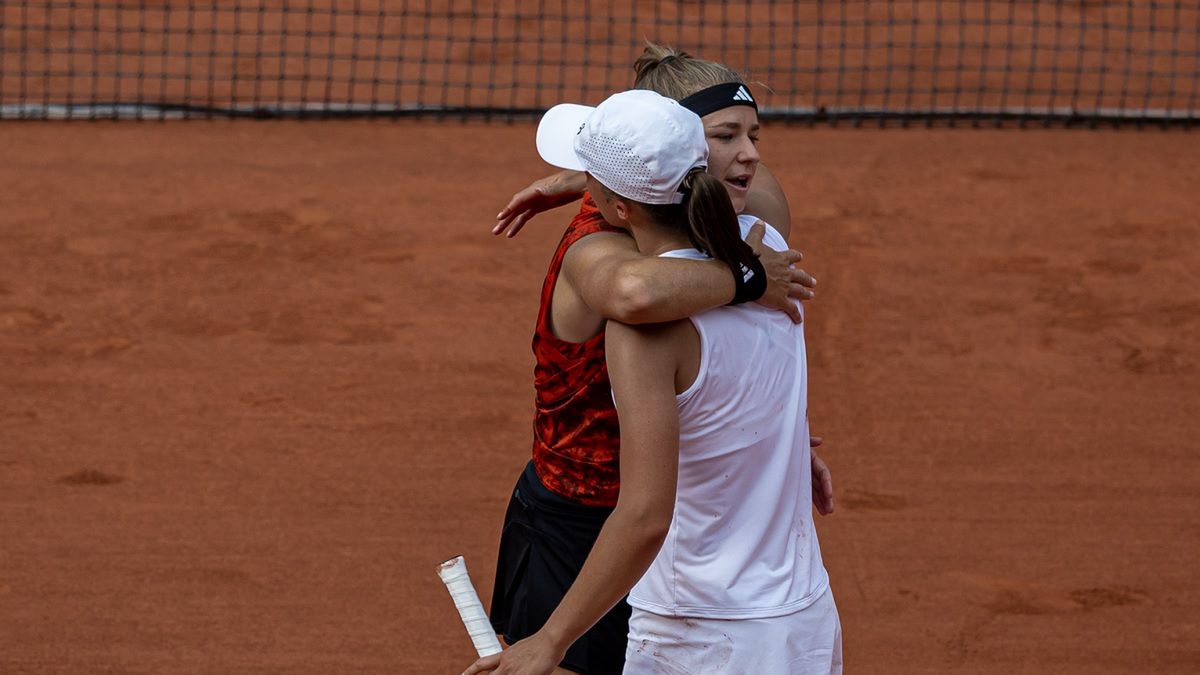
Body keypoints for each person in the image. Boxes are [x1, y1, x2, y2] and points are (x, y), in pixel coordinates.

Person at [481, 46, 835, 675]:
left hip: (669, 542)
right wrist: (749, 276)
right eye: (724, 138)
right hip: (587, 522)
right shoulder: (728, 249)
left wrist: (784, 442)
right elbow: (636, 294)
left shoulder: (746, 223)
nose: (747, 155)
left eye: (750, 135)